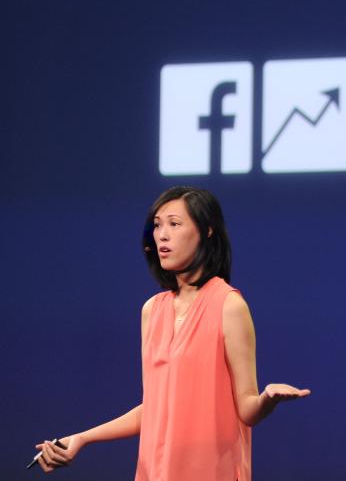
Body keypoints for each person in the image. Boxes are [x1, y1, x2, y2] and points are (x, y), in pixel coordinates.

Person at [33, 186, 310, 479]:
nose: (162, 235)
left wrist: (268, 398)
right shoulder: (152, 310)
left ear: (207, 231)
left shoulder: (229, 305)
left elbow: (247, 409)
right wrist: (82, 438)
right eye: (157, 225)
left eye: (174, 224)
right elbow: (155, 408)